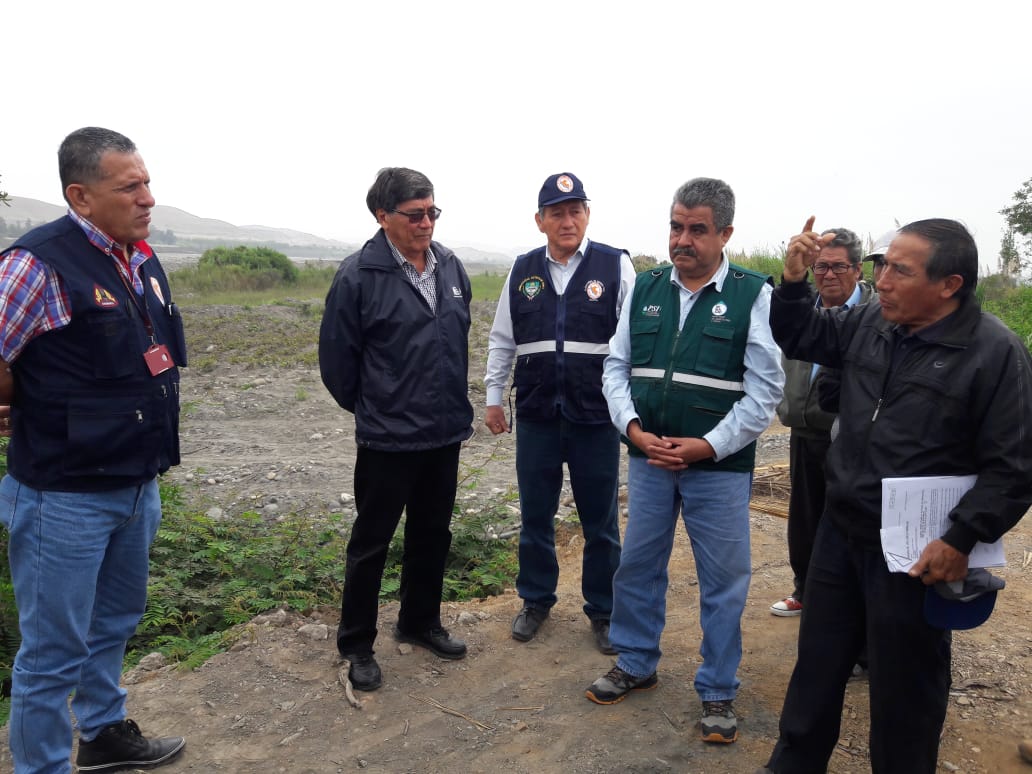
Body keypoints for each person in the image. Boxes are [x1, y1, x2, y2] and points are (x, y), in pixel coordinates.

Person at [758, 217, 1032, 774]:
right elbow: (802, 335)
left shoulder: (994, 353)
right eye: (882, 265)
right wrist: (791, 282)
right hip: (841, 532)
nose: (881, 280)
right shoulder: (869, 325)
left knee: (906, 683)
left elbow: (1015, 466)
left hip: (918, 552)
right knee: (818, 665)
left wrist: (961, 537)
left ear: (948, 284)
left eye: (899, 271)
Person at [0, 127, 186, 772]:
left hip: (135, 485)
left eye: (146, 183)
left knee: (113, 624)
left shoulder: (139, 259)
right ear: (80, 196)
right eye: (129, 187)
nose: (148, 198)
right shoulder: (36, 264)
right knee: (52, 652)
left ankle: (103, 734)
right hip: (63, 497)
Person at [586, 177, 784, 745]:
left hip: (715, 470)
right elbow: (616, 367)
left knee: (722, 580)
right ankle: (636, 661)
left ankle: (718, 688)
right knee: (638, 565)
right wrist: (633, 431)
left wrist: (708, 446)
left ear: (725, 233)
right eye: (676, 226)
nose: (683, 239)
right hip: (649, 461)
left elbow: (764, 391)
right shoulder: (646, 286)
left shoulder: (752, 295)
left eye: (697, 229)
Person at [319, 167, 474, 692]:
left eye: (432, 212)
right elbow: (338, 364)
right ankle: (357, 644)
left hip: (444, 432)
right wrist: (376, 408)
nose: (426, 222)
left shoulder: (451, 267)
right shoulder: (358, 275)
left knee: (433, 533)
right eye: (414, 214)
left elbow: (457, 344)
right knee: (372, 542)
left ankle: (420, 621)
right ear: (382, 216)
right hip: (388, 438)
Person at [484, 172, 636, 653]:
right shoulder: (523, 270)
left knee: (601, 522)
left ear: (587, 214)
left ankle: (605, 610)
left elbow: (632, 345)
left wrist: (630, 408)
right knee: (535, 515)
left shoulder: (616, 266)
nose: (567, 220)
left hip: (595, 417)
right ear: (540, 220)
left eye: (575, 210)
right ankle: (535, 600)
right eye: (556, 212)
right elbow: (503, 338)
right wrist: (493, 396)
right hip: (536, 414)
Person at [770, 227, 874, 617]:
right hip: (804, 429)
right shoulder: (801, 313)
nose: (828, 275)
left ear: (858, 269)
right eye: (820, 267)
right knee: (805, 515)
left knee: (850, 516)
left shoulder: (875, 314)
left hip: (854, 437)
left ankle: (853, 605)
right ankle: (805, 589)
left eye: (838, 267)